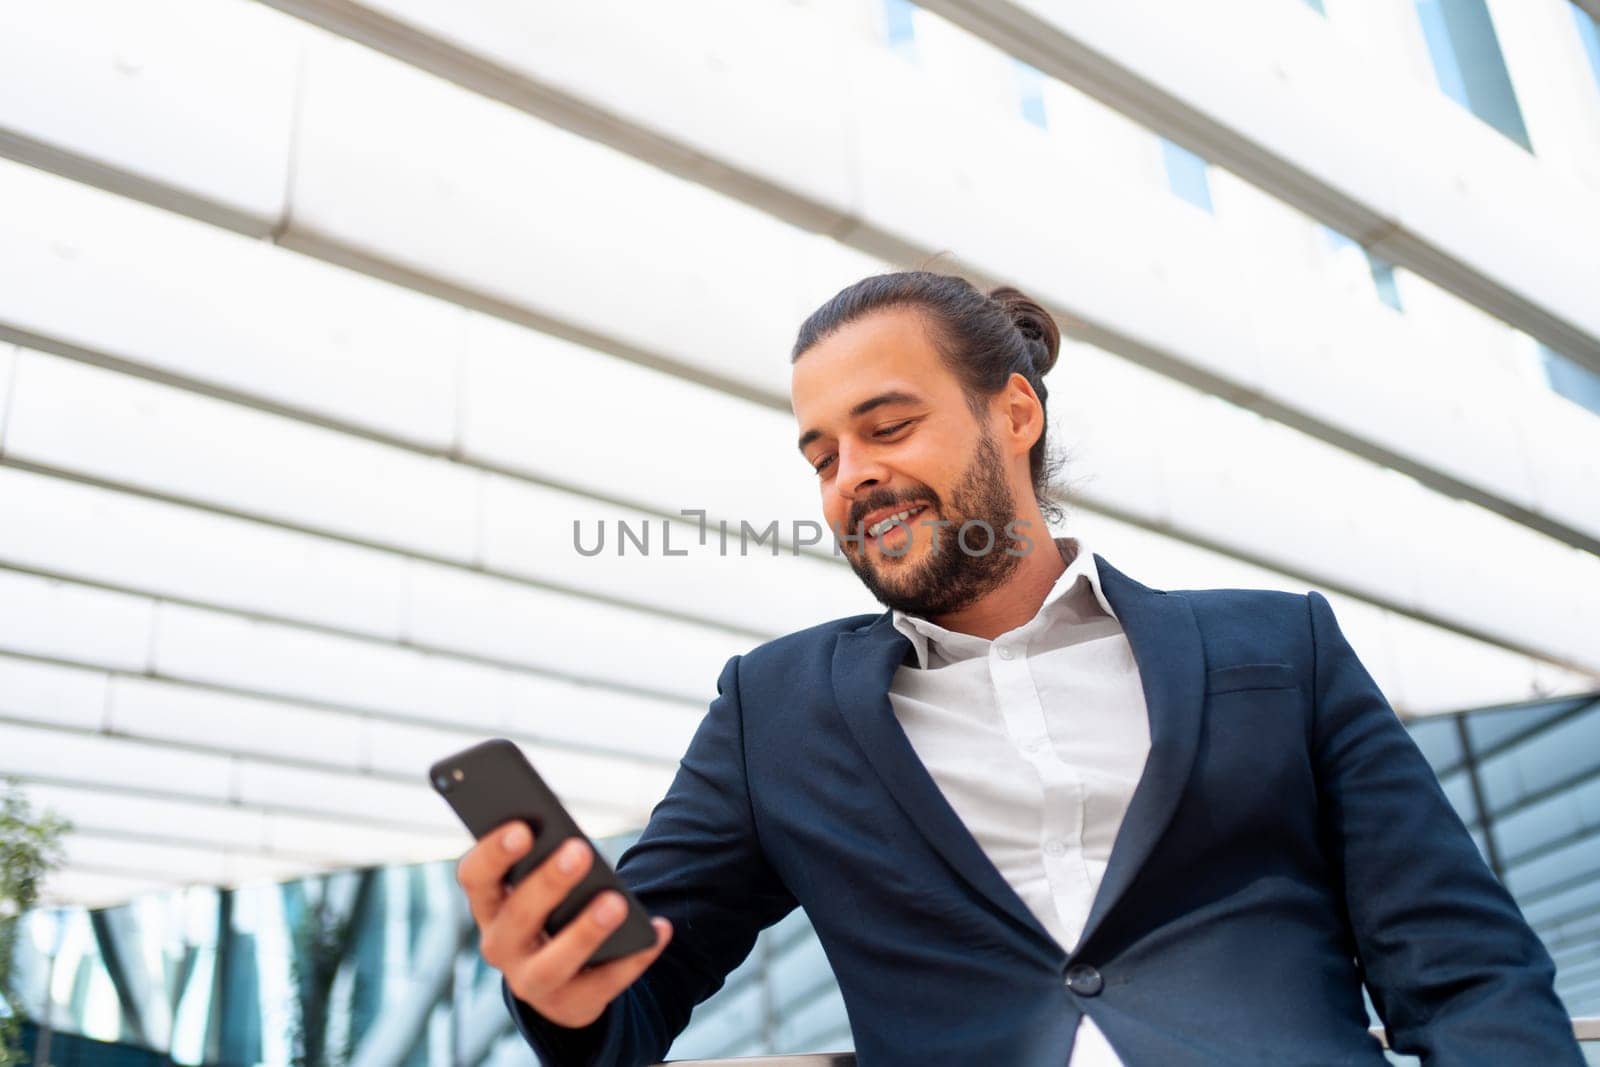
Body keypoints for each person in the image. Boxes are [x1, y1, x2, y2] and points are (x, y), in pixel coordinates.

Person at [455, 272, 1581, 1065]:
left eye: (887, 426)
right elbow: (634, 990)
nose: (851, 475)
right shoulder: (774, 710)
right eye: (821, 453)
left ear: (1016, 412)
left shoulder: (1274, 647)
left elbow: (1466, 970)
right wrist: (557, 983)